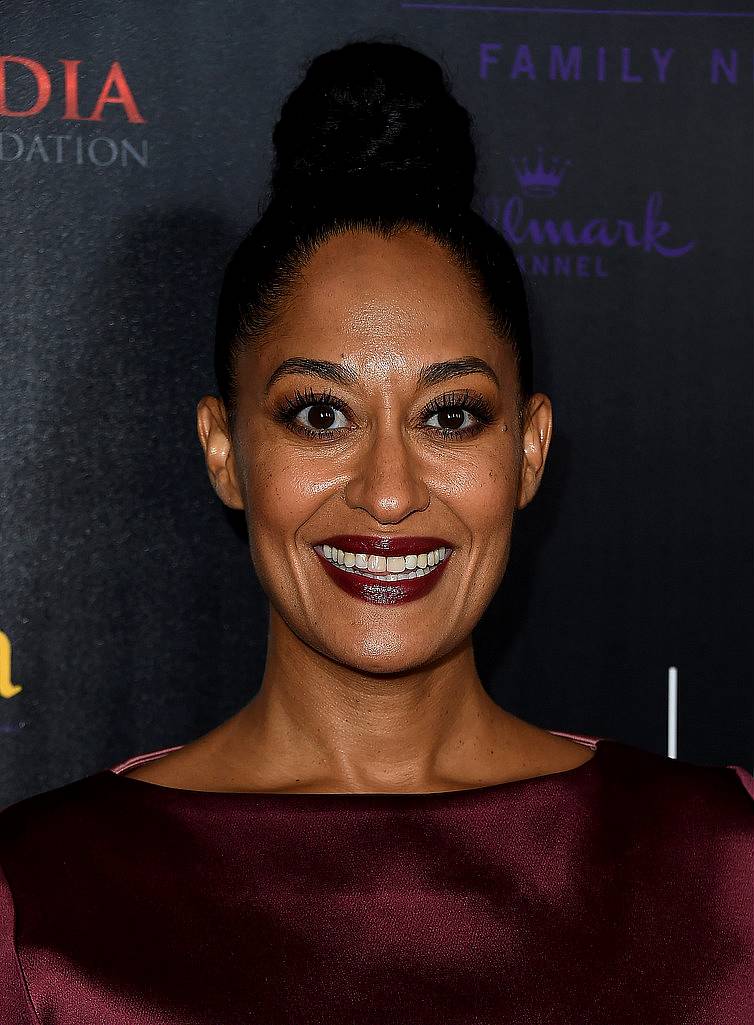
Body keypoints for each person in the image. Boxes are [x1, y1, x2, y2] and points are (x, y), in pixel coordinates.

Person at [1, 40, 751, 1025]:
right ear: (224, 450)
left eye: (451, 416)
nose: (389, 493)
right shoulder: (39, 902)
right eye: (320, 415)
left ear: (528, 451)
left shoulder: (724, 862)